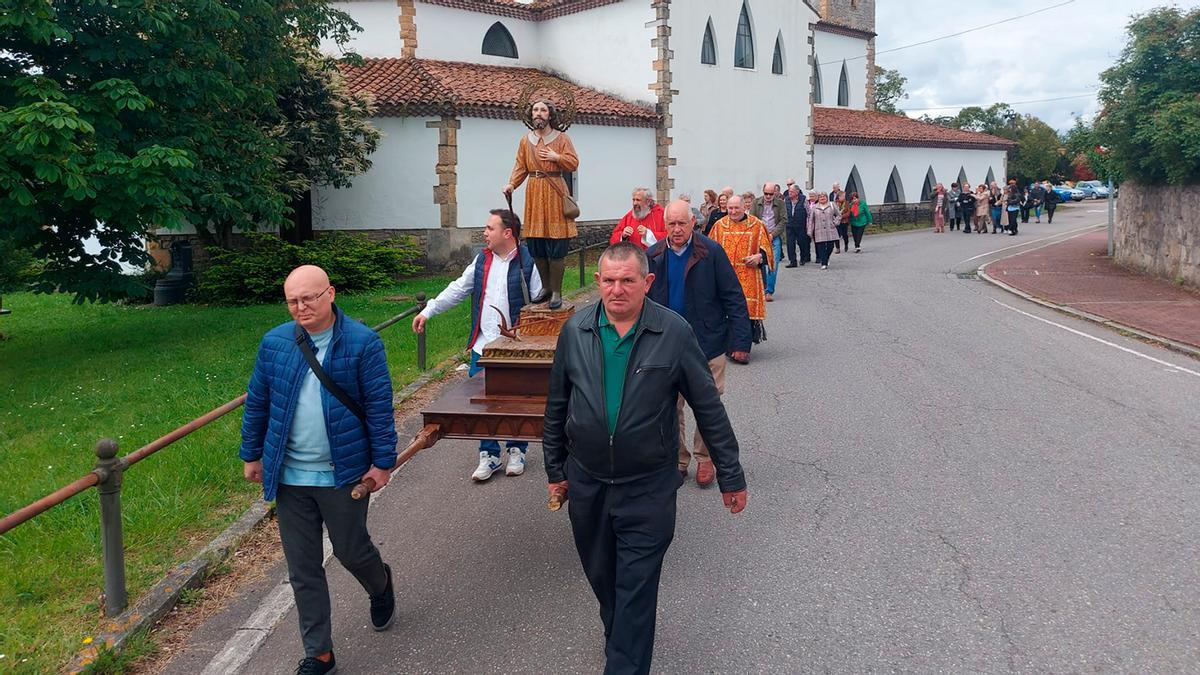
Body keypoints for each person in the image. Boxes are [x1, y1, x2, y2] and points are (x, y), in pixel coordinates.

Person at [543, 242, 748, 675]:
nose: (617, 290)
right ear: (598, 282)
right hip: (589, 482)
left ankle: (623, 661)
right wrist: (554, 470)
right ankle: (620, 639)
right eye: (609, 281)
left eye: (628, 281)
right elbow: (557, 406)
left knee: (636, 589)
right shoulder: (575, 331)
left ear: (647, 283)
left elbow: (707, 406)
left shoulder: (673, 332)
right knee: (604, 580)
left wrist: (730, 475)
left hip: (649, 487)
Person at [240, 265, 398, 675]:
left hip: (342, 473)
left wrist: (382, 463)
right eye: (293, 300)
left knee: (351, 552)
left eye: (308, 297)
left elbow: (379, 407)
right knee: (303, 569)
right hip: (291, 477)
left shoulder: (362, 343)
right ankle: (320, 654)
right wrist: (252, 455)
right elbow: (258, 402)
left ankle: (380, 582)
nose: (301, 307)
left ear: (330, 293)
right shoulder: (275, 343)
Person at [414, 210, 541, 480]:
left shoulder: (529, 261)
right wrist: (428, 310)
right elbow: (458, 289)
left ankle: (517, 449)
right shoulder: (482, 260)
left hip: (517, 349)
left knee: (515, 401)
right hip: (483, 347)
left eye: (489, 227)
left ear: (507, 233)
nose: (484, 233)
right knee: (484, 404)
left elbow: (539, 302)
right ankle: (490, 454)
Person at [647, 201, 751, 486]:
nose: (677, 230)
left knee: (708, 404)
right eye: (672, 224)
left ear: (693, 222)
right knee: (669, 405)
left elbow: (733, 295)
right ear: (664, 224)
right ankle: (678, 460)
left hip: (707, 341)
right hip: (666, 344)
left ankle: (705, 459)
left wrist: (741, 340)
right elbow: (640, 303)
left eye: (682, 223)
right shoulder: (653, 255)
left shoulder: (711, 252)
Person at [503, 99, 579, 309]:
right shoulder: (525, 141)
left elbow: (573, 162)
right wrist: (512, 184)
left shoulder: (562, 138)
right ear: (531, 114)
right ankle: (545, 287)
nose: (539, 113)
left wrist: (557, 156)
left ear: (550, 115)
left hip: (555, 190)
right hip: (534, 192)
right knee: (536, 244)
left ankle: (556, 291)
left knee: (556, 245)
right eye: (535, 110)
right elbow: (520, 166)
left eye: (543, 110)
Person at [708, 195, 773, 354]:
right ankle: (730, 346)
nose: (733, 211)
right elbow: (708, 249)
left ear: (744, 207)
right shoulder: (719, 226)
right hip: (725, 276)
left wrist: (759, 257)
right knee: (726, 310)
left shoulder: (757, 225)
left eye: (736, 208)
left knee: (745, 310)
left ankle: (741, 347)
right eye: (730, 208)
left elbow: (767, 249)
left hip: (748, 275)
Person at [752, 182, 787, 300]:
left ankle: (769, 291)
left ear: (775, 193)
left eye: (770, 194)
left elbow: (783, 220)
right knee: (760, 263)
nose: (768, 196)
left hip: (774, 237)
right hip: (759, 237)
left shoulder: (780, 203)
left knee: (773, 264)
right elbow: (752, 220)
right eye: (766, 193)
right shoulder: (756, 203)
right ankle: (762, 287)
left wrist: (772, 234)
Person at [807, 191, 840, 268]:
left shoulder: (832, 205)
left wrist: (835, 223)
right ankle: (824, 263)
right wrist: (810, 230)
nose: (822, 198)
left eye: (824, 196)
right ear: (818, 198)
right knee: (820, 247)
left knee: (830, 246)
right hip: (819, 230)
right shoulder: (814, 207)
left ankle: (826, 258)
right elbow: (811, 220)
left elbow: (838, 215)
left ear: (827, 197)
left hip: (830, 229)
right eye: (820, 197)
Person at [784, 184, 809, 266]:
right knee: (790, 243)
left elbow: (809, 212)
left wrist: (808, 224)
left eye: (791, 191)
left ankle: (803, 258)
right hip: (789, 225)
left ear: (797, 192)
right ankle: (792, 261)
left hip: (801, 225)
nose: (789, 193)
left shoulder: (804, 199)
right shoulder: (786, 200)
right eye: (789, 191)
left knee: (802, 242)